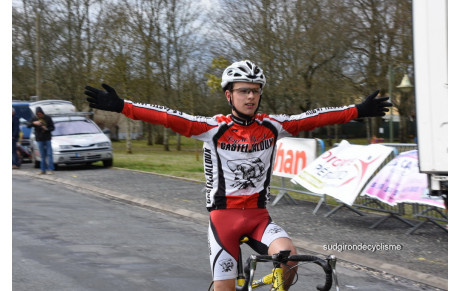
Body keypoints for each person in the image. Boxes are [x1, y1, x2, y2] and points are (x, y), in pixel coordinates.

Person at [84, 60, 391, 290]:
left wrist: (357, 110)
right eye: (243, 91)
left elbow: (314, 118)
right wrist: (123, 106)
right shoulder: (212, 128)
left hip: (259, 217)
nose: (250, 97)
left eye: (255, 91)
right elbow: (166, 117)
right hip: (223, 220)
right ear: (229, 95)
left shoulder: (273, 125)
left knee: (290, 259)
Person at [28, 106, 55, 175]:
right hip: (39, 139)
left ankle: (50, 169)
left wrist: (47, 129)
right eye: (38, 114)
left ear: (42, 113)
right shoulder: (35, 118)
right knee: (42, 155)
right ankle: (43, 170)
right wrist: (34, 123)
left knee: (49, 154)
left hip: (47, 138)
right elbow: (28, 125)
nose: (39, 115)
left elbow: (52, 127)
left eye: (40, 114)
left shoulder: (48, 118)